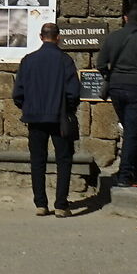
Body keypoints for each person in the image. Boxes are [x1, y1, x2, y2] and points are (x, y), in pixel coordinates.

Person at [12, 22, 83, 217]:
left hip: (35, 117)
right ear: (58, 37)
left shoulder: (28, 61)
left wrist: (27, 107)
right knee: (64, 159)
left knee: (37, 160)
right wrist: (67, 109)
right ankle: (61, 204)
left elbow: (18, 93)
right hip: (59, 117)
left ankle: (40, 204)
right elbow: (73, 92)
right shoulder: (65, 61)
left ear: (41, 36)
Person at [95, 4, 137, 188]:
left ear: (125, 18)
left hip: (116, 88)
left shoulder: (113, 37)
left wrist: (110, 76)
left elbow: (100, 63)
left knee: (130, 128)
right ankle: (125, 175)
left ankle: (136, 170)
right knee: (133, 132)